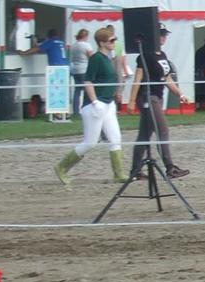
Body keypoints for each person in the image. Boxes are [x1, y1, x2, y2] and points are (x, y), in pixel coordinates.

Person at [53, 27, 131, 185]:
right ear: (102, 43)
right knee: (90, 142)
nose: (114, 43)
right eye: (111, 41)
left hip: (108, 104)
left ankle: (119, 173)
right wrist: (95, 101)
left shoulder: (108, 58)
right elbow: (88, 81)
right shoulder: (96, 58)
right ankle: (61, 167)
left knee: (115, 138)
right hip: (96, 105)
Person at [128, 26, 192, 180]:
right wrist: (131, 101)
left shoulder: (162, 55)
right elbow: (137, 79)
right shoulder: (145, 56)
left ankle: (135, 170)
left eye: (164, 35)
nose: (164, 37)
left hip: (157, 95)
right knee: (162, 129)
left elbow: (167, 78)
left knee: (144, 134)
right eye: (161, 35)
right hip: (147, 97)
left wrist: (179, 93)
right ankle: (170, 167)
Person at [68, 29, 95, 117]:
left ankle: (76, 110)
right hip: (84, 69)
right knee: (87, 90)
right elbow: (91, 57)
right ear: (85, 36)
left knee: (77, 90)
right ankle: (85, 108)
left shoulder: (74, 45)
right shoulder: (86, 45)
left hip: (75, 69)